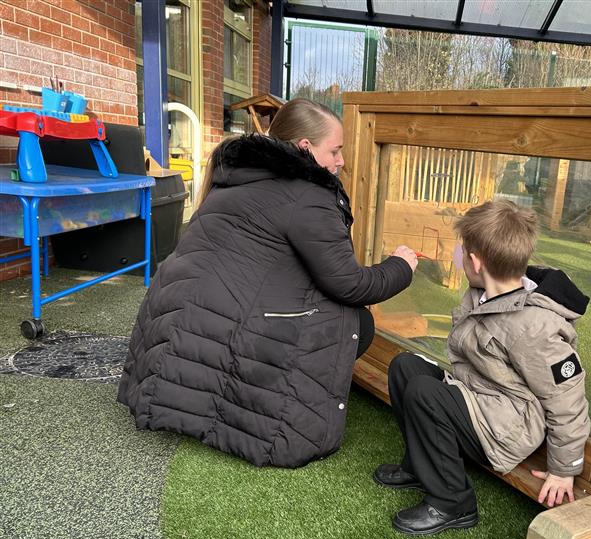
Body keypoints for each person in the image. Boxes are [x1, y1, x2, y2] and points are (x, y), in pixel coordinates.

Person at [118, 98, 418, 468]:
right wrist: (400, 266)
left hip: (175, 318)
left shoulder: (237, 175)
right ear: (305, 148)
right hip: (217, 325)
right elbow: (351, 285)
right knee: (359, 323)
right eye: (335, 150)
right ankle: (256, 400)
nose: (341, 161)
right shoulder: (308, 195)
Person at [373, 200, 591, 536]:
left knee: (424, 393)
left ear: (475, 261)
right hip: (479, 398)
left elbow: (568, 398)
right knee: (405, 366)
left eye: (463, 252)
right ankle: (419, 466)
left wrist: (565, 469)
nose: (459, 258)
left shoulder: (534, 326)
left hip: (507, 427)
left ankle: (452, 502)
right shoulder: (484, 291)